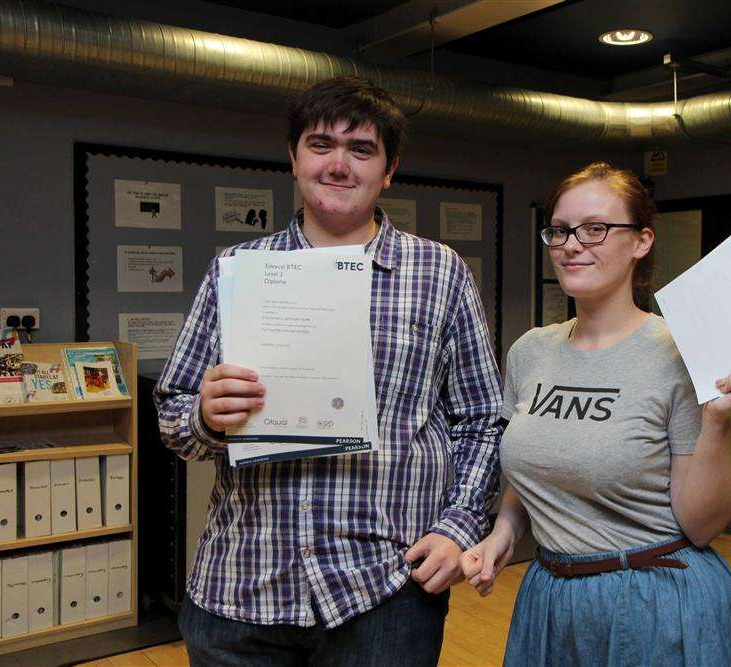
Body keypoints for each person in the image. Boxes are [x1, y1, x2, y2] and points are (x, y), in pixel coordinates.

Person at [154, 76, 503, 666]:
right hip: (244, 589)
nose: (339, 165)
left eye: (362, 150)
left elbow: (481, 420)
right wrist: (205, 416)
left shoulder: (440, 273)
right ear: (294, 159)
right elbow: (174, 419)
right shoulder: (237, 272)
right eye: (321, 145)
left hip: (385, 591)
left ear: (389, 170)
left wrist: (459, 525)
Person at [461, 162, 731, 666]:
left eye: (595, 229)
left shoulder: (681, 353)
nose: (572, 244)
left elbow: (702, 526)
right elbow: (534, 465)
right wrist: (503, 533)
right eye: (561, 230)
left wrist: (717, 421)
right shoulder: (530, 351)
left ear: (641, 241)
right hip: (551, 597)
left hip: (655, 601)